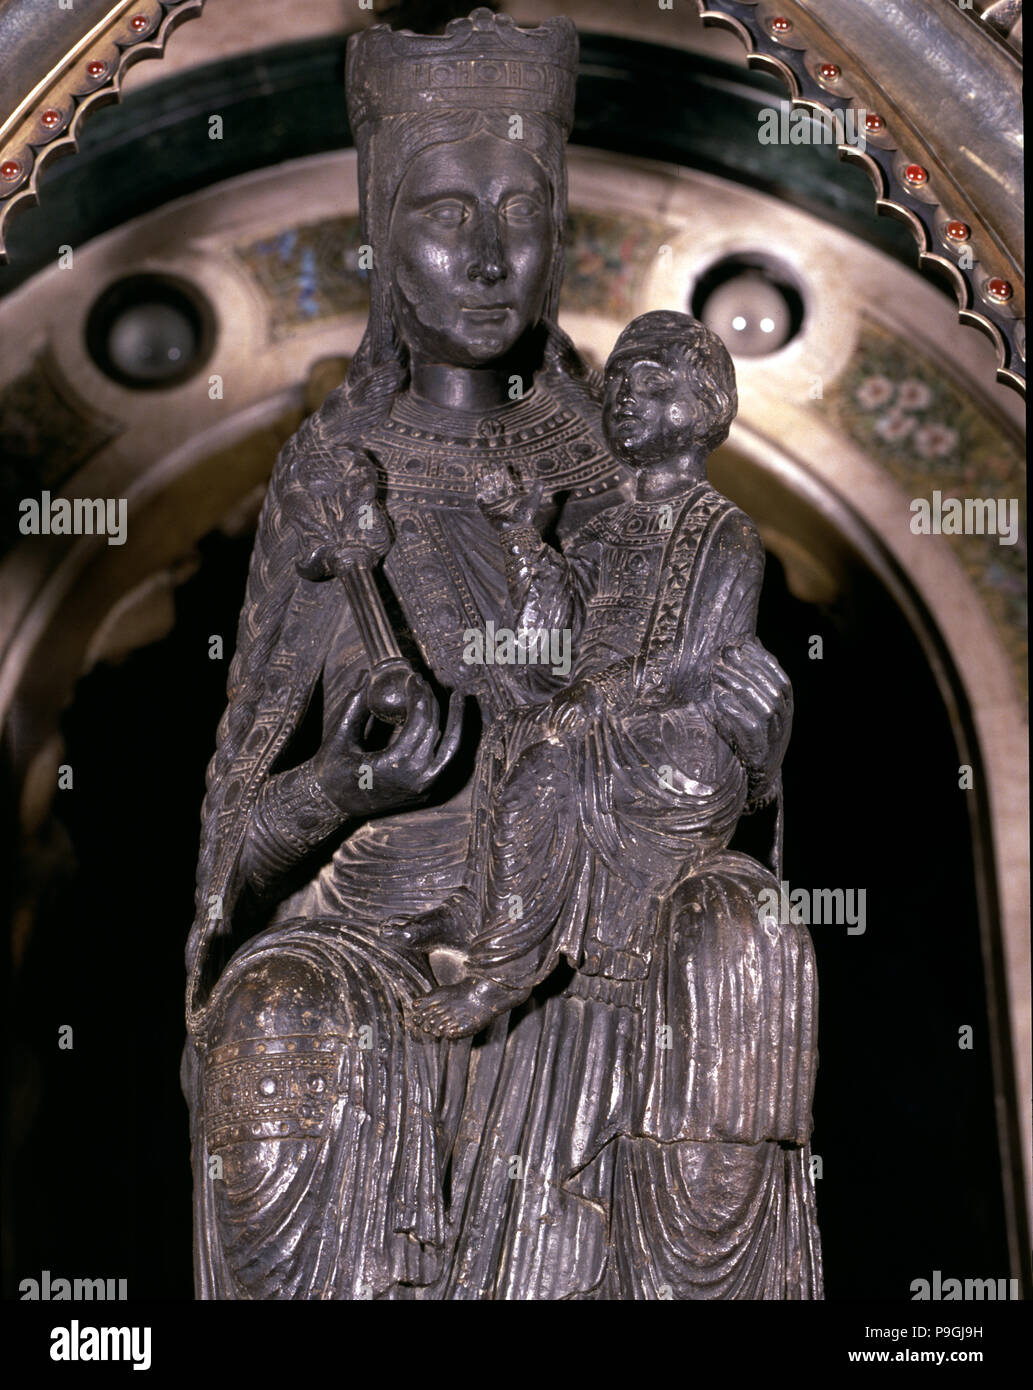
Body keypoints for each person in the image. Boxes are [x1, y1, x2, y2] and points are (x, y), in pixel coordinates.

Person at [184, 11, 799, 1300]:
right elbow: (237, 849)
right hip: (370, 937)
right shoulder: (327, 486)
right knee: (277, 1014)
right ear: (380, 226)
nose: (485, 255)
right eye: (443, 211)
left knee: (738, 927)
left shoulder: (622, 473)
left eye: (520, 209)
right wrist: (347, 787)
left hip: (596, 920)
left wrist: (747, 734)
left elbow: (699, 706)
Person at [402, 311, 823, 1299]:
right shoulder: (605, 525)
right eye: (621, 380)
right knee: (524, 759)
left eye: (654, 381)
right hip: (589, 728)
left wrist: (590, 705)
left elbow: (691, 655)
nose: (628, 396)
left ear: (708, 407)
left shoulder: (720, 529)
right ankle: (508, 945)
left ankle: (504, 966)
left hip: (666, 746)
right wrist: (525, 539)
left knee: (547, 766)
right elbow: (548, 638)